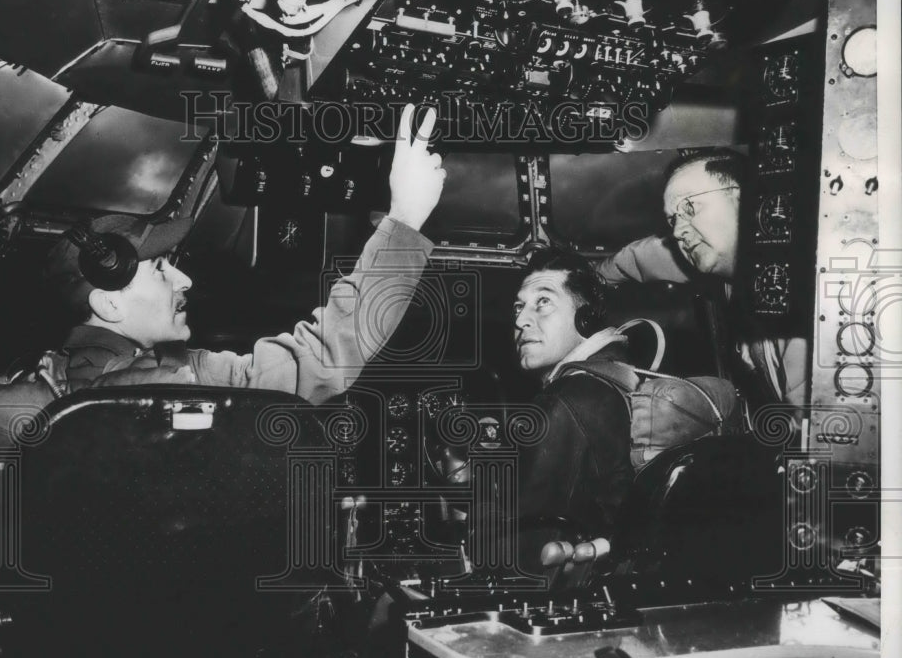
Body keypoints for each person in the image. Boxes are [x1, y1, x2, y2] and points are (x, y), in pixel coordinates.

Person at [38, 103, 445, 404]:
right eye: (161, 270)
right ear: (109, 303)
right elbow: (318, 362)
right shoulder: (146, 392)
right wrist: (406, 216)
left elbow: (305, 363)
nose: (185, 281)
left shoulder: (157, 368)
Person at [596, 148, 808, 417]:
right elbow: (640, 257)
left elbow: (812, 431)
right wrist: (588, 278)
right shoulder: (722, 265)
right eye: (673, 219)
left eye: (689, 207)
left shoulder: (801, 295)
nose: (677, 231)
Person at [513, 246, 635, 541]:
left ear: (586, 320)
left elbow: (527, 544)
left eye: (543, 302)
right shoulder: (616, 376)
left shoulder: (567, 400)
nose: (520, 321)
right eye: (519, 307)